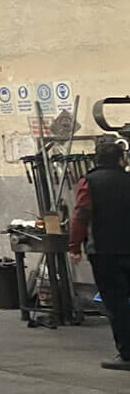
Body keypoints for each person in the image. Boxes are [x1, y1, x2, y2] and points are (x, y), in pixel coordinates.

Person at [69, 137, 130, 370]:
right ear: (120, 159)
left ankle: (127, 354)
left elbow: (81, 215)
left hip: (105, 252)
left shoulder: (89, 182)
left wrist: (74, 246)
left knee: (116, 305)